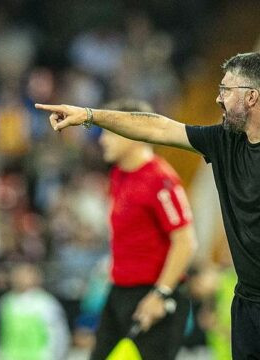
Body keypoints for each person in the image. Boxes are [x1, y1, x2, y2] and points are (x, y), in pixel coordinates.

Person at [36, 52, 260, 359]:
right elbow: (157, 126)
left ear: (252, 97)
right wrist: (90, 116)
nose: (218, 99)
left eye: (225, 90)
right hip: (248, 307)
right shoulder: (224, 140)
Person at [88, 99, 196, 360]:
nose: (102, 140)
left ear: (134, 132)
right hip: (119, 291)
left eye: (108, 131)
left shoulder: (160, 178)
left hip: (153, 294)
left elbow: (186, 242)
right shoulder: (118, 174)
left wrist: (160, 295)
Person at [0, 263, 70, 360]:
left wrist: (54, 356)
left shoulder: (46, 303)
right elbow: (4, 334)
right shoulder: (6, 301)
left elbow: (58, 335)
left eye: (26, 274)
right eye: (18, 274)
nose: (19, 277)